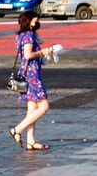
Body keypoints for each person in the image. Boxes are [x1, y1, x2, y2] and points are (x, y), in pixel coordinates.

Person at [8, 10, 59, 151]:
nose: (38, 21)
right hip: (32, 76)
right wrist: (44, 52)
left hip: (27, 73)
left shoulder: (22, 34)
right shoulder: (29, 35)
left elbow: (41, 40)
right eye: (36, 19)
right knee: (43, 107)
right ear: (29, 20)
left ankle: (31, 141)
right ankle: (16, 130)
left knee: (32, 108)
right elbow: (28, 55)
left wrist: (34, 29)